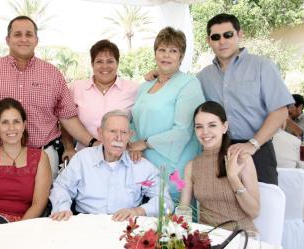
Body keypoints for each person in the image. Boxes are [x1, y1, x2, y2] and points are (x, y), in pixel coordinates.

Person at [0, 16, 96, 179]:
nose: (23, 39)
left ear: (36, 40)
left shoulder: (52, 74)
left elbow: (67, 117)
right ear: (7, 39)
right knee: (3, 202)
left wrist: (92, 142)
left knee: (45, 202)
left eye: (29, 34)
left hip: (45, 156)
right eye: (17, 34)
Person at [196, 13, 294, 185]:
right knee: (225, 208)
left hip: (258, 150)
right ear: (208, 40)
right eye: (216, 37)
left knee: (264, 207)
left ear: (240, 34)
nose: (222, 41)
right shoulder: (203, 77)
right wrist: (160, 75)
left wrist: (253, 144)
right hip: (220, 152)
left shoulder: (262, 66)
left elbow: (280, 111)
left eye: (228, 34)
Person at [50, 110, 173, 222]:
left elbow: (165, 201)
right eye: (112, 131)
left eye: (123, 132)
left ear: (129, 136)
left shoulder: (141, 166)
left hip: (125, 227)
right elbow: (62, 187)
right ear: (100, 133)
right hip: (86, 224)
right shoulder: (82, 159)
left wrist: (137, 211)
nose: (118, 138)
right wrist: (63, 208)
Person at [129, 27, 205, 203]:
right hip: (144, 163)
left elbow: (183, 131)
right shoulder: (145, 86)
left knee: (173, 224)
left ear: (181, 57)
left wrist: (145, 143)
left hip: (174, 165)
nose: (166, 55)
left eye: (173, 51)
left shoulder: (189, 84)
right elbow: (133, 122)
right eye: (162, 50)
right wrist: (134, 146)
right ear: (155, 54)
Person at [180, 101, 259, 231]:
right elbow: (183, 209)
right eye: (199, 126)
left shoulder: (241, 158)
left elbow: (254, 212)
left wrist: (233, 177)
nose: (205, 132)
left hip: (241, 236)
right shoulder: (191, 166)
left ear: (224, 127)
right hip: (206, 239)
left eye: (212, 125)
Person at [61, 39, 139, 158]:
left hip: (122, 158)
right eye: (99, 61)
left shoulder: (134, 89)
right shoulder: (76, 88)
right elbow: (66, 121)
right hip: (85, 157)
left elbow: (140, 123)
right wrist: (69, 148)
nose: (104, 66)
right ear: (92, 64)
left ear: (117, 63)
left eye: (110, 61)